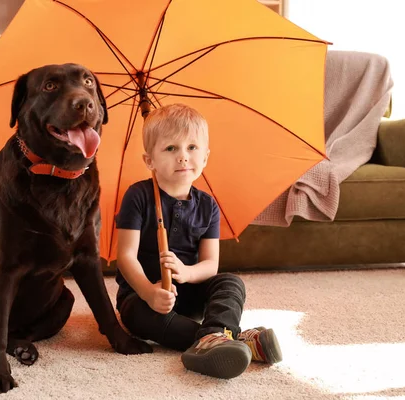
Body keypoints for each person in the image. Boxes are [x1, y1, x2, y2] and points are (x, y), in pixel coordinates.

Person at [115, 103, 282, 379]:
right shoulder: (139, 196)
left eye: (192, 148)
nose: (183, 157)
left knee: (230, 282)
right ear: (149, 161)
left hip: (190, 292)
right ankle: (230, 341)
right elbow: (126, 256)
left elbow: (210, 264)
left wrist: (186, 272)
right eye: (170, 148)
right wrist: (148, 292)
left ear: (205, 157)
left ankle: (216, 338)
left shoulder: (208, 205)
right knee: (135, 316)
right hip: (143, 298)